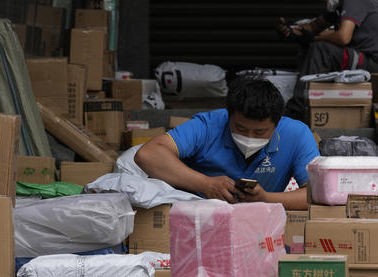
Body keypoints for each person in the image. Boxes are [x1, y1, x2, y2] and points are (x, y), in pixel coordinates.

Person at [134, 77, 320, 210]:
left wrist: (266, 198)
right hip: (196, 220)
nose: (249, 137)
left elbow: (317, 193)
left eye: (260, 132)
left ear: (277, 122)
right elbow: (148, 155)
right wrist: (205, 184)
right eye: (240, 128)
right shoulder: (208, 126)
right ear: (228, 115)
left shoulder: (296, 134)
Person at [277, 0, 378, 121]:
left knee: (321, 50)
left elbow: (343, 37)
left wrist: (313, 38)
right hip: (364, 60)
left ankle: (295, 112)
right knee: (312, 45)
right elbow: (313, 27)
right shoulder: (338, 6)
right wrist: (291, 31)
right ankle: (311, 104)